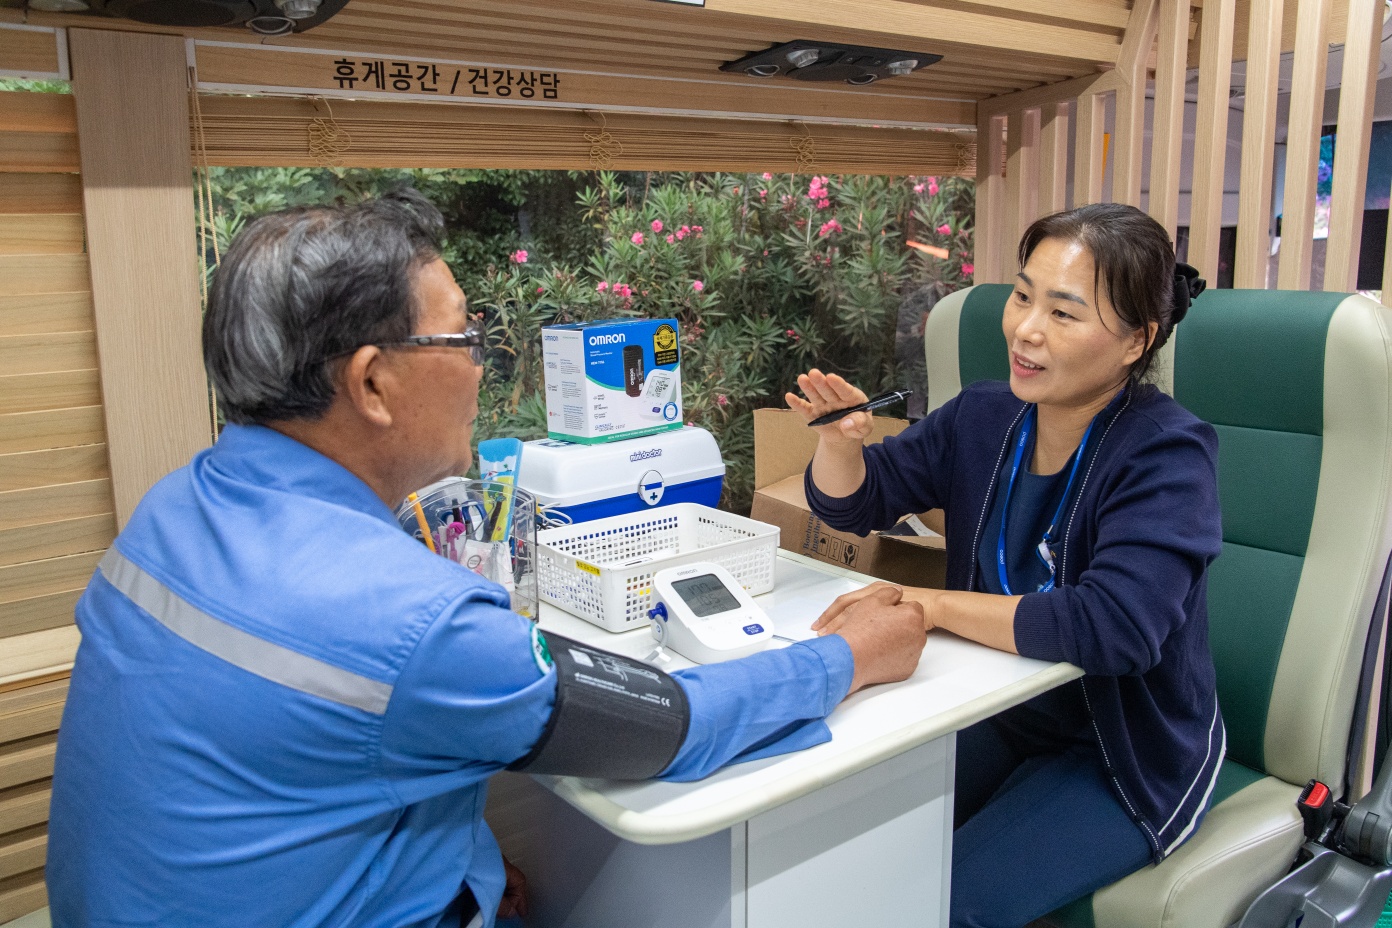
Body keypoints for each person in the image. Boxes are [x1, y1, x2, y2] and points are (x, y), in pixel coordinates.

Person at [45, 189, 928, 928]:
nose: (479, 364)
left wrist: (458, 859)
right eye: (463, 339)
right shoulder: (408, 619)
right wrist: (847, 658)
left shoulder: (172, 509)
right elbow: (665, 725)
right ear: (372, 384)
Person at [788, 203, 1224, 928]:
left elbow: (1117, 628)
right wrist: (840, 444)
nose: (1026, 329)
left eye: (1064, 313)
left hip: (1120, 754)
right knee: (834, 838)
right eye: (1023, 295)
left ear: (1134, 342)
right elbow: (857, 504)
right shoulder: (984, 415)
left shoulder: (1169, 453)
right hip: (997, 706)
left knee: (946, 903)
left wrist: (930, 606)